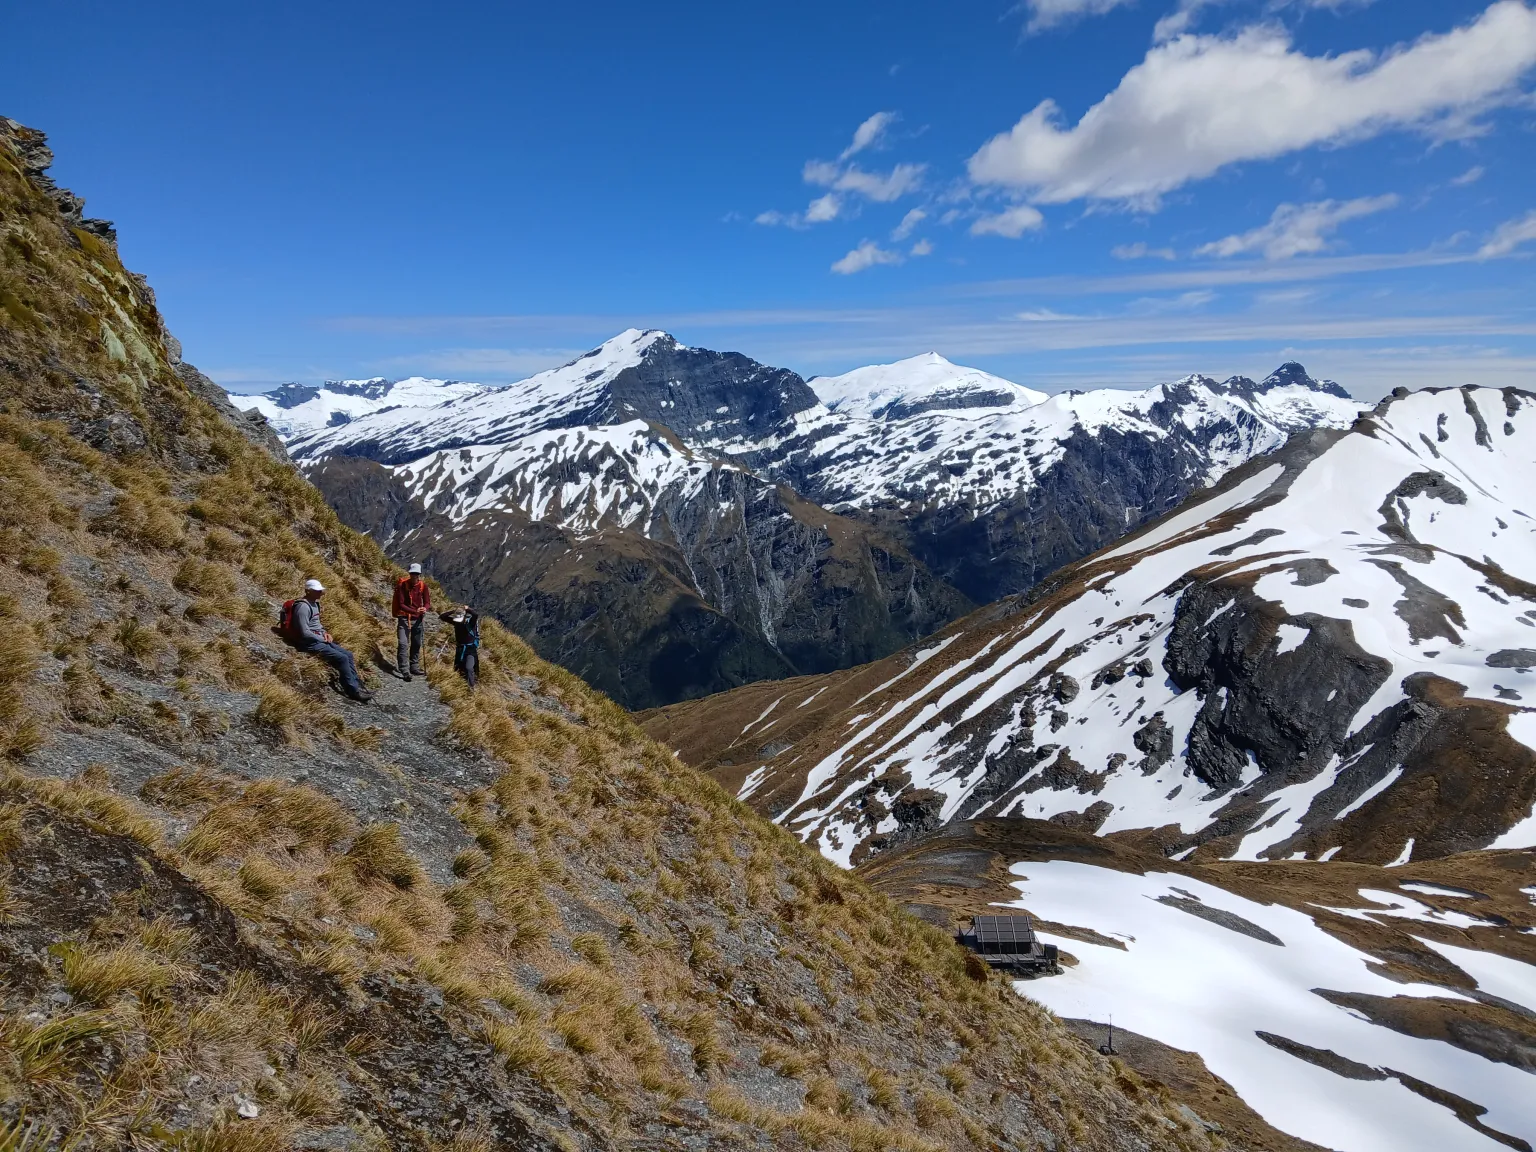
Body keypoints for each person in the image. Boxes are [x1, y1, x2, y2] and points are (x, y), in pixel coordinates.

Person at [286, 579, 373, 702]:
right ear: (308, 591)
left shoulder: (315, 603)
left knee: (348, 655)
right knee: (342, 658)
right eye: (317, 591)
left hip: (319, 639)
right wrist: (322, 638)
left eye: (320, 590)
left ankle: (357, 685)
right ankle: (353, 691)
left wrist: (326, 633)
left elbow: (316, 625)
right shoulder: (303, 607)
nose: (320, 593)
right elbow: (305, 632)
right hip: (308, 643)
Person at [392, 562, 433, 681]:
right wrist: (416, 610)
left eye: (416, 574)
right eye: (412, 574)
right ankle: (404, 669)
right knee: (403, 643)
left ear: (419, 574)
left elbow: (427, 602)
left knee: (416, 643)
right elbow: (401, 604)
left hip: (417, 619)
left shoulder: (422, 586)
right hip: (404, 618)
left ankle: (414, 666)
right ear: (410, 574)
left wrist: (424, 608)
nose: (414, 576)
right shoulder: (401, 586)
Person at [439, 605, 481, 688]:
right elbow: (442, 616)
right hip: (460, 649)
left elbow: (475, 615)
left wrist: (467, 609)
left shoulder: (470, 623)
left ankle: (471, 688)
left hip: (470, 649)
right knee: (458, 669)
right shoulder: (456, 622)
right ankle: (460, 686)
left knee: (469, 668)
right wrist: (454, 611)